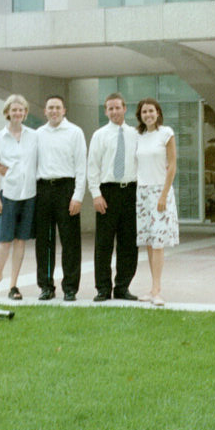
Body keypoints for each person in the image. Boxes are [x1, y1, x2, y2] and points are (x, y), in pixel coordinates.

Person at [0, 94, 37, 300]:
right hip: (9, 194)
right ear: (7, 113)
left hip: (29, 194)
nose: (17, 113)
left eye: (21, 110)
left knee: (21, 240)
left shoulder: (34, 136)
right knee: (5, 240)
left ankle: (14, 285)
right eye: (14, 110)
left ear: (25, 113)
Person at [35, 95, 87, 301]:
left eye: (58, 107)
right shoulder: (38, 134)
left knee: (70, 241)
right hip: (43, 190)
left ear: (64, 110)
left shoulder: (75, 132)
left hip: (67, 189)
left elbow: (81, 166)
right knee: (44, 242)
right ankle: (46, 286)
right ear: (45, 111)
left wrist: (78, 196)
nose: (54, 111)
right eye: (50, 108)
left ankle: (70, 288)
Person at [87, 92, 138, 301]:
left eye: (118, 107)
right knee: (104, 243)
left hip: (130, 192)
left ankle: (122, 287)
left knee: (128, 242)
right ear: (105, 111)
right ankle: (103, 288)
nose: (114, 111)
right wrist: (96, 194)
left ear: (125, 109)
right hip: (107, 192)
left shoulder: (136, 134)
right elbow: (93, 167)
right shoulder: (99, 135)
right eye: (110, 108)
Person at [135, 97, 179, 306]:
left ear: (158, 113)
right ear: (140, 115)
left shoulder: (166, 133)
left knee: (159, 242)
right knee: (149, 242)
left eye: (151, 111)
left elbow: (172, 165)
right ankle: (152, 288)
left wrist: (163, 195)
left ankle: (158, 290)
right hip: (142, 192)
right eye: (144, 112)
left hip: (160, 192)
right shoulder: (138, 136)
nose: (148, 115)